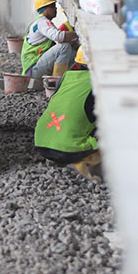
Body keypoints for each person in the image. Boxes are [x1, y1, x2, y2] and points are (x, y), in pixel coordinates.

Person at [34, 45, 101, 180]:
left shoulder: (65, 77)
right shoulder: (98, 83)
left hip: (41, 143)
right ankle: (83, 166)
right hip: (70, 149)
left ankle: (55, 160)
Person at [21, 0, 78, 79]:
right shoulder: (42, 22)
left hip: (35, 67)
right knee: (64, 47)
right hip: (34, 69)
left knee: (73, 53)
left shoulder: (39, 22)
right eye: (52, 6)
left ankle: (59, 78)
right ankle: (55, 82)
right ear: (45, 9)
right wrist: (79, 33)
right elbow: (58, 36)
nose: (55, 8)